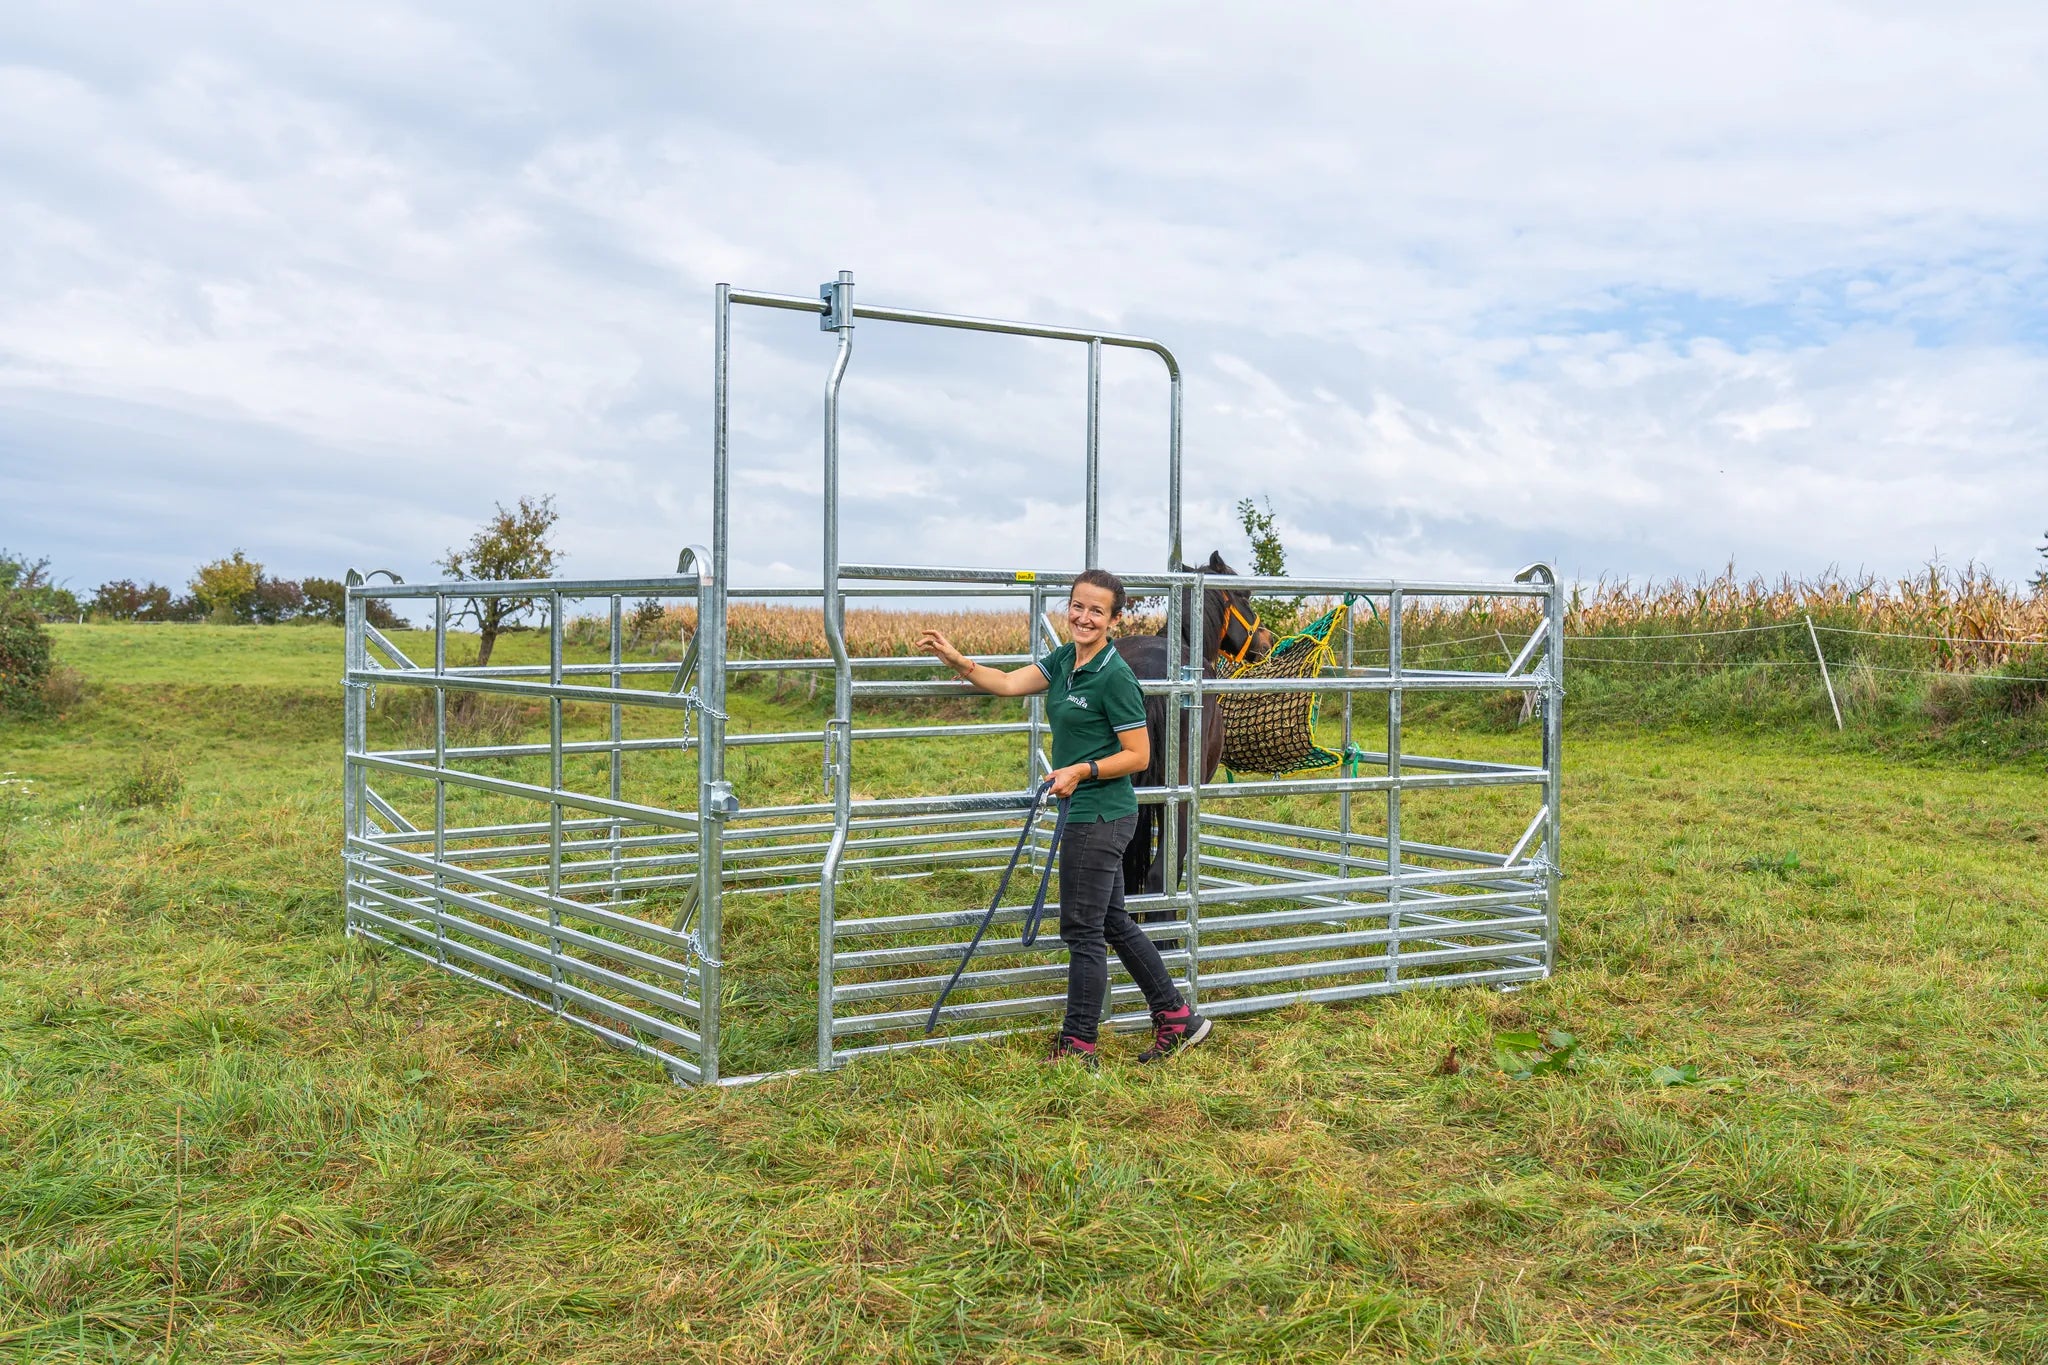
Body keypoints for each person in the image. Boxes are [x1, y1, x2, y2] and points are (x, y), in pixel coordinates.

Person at [916, 568, 1213, 1068]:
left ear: (1114, 619)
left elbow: (1138, 755)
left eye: (1097, 610)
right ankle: (1178, 1017)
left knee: (1082, 929)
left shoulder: (1114, 676)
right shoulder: (1066, 660)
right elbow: (1010, 683)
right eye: (1078, 606)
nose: (1084, 617)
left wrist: (1082, 769)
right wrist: (958, 660)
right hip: (1088, 812)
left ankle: (1078, 1044)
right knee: (1113, 921)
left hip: (1099, 814)